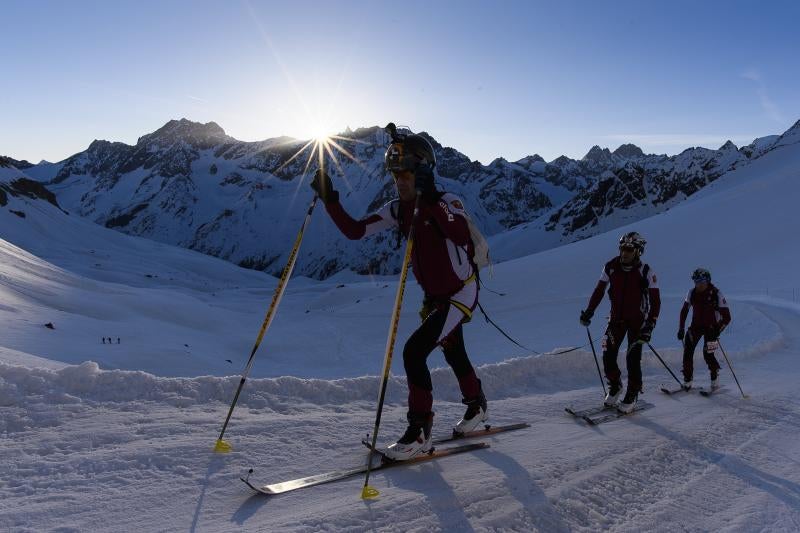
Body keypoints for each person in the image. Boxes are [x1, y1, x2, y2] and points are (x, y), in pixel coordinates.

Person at [310, 124, 486, 460]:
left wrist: (431, 197)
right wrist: (330, 199)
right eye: (395, 174)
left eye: (406, 173)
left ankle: (420, 430)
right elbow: (355, 231)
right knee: (452, 352)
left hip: (460, 293)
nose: (399, 180)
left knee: (413, 352)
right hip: (435, 297)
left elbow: (460, 233)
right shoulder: (397, 209)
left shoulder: (448, 202)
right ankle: (477, 405)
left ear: (423, 171)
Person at [579, 232, 661, 413]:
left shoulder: (646, 271)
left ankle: (632, 393)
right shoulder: (610, 267)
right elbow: (599, 290)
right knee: (608, 355)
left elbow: (656, 301)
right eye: (622, 248)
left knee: (632, 359)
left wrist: (650, 324)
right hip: (615, 319)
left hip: (637, 323)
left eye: (629, 249)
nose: (624, 253)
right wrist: (589, 311)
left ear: (638, 251)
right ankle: (615, 386)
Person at [677, 268, 731, 391]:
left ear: (707, 281)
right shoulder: (692, 293)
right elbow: (684, 310)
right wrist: (681, 328)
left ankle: (714, 378)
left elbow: (727, 317)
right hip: (695, 327)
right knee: (688, 351)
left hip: (712, 328)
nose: (698, 284)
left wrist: (718, 329)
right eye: (696, 281)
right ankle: (687, 380)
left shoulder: (716, 294)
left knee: (708, 354)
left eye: (701, 281)